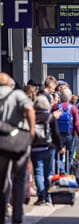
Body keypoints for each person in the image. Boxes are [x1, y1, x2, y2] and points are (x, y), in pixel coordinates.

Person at [0, 72, 35, 224]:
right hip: (18, 142)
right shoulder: (18, 95)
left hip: (1, 142)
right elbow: (29, 109)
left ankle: (1, 214)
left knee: (2, 181)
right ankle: (17, 216)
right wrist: (31, 132)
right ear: (10, 84)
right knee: (19, 179)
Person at [30, 95, 64, 206]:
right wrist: (60, 147)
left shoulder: (32, 117)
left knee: (38, 172)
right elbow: (56, 133)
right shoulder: (50, 117)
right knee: (49, 173)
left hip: (35, 148)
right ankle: (48, 196)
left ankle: (41, 196)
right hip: (49, 148)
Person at [51, 88, 79, 173]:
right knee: (70, 156)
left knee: (57, 155)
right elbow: (77, 124)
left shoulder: (55, 107)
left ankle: (61, 171)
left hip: (58, 135)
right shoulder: (73, 108)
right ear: (69, 97)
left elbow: (50, 120)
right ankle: (67, 173)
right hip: (70, 135)